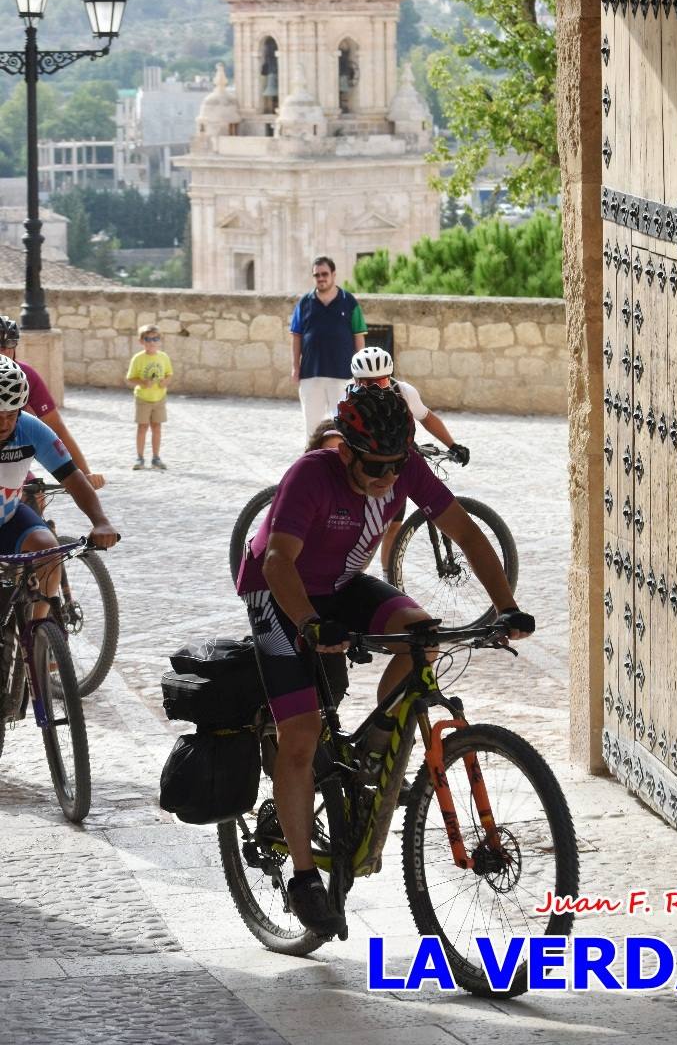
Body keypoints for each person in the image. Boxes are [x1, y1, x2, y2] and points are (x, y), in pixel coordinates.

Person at [236, 383, 534, 937]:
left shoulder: (403, 464)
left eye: (396, 466)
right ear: (345, 449)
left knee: (422, 635)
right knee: (300, 734)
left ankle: (374, 746)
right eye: (374, 466)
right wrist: (310, 625)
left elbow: (465, 532)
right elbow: (278, 563)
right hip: (278, 591)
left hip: (341, 582)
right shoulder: (312, 474)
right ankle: (303, 876)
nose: (387, 479)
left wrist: (507, 606)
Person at [0, 357, 118, 617]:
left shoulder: (30, 429)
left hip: (7, 517)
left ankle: (40, 633)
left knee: (48, 550)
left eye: (11, 414)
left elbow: (72, 477)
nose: (5, 424)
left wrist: (100, 521)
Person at [349, 345, 470, 574]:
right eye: (367, 383)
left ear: (390, 377)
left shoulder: (403, 391)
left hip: (395, 468)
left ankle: (388, 577)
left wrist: (452, 445)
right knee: (365, 532)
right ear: (356, 380)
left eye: (381, 382)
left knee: (393, 525)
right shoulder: (347, 395)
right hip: (364, 472)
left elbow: (426, 417)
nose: (375, 388)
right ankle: (349, 579)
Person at [0, 315, 105, 490]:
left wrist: (85, 473)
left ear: (15, 347)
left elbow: (57, 427)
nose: (1, 353)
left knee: (35, 496)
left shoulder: (27, 376)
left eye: (6, 346)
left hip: (12, 456)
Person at [290, 256, 366, 437]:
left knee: (344, 425)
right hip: (311, 374)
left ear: (333, 274)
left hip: (343, 374)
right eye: (317, 275)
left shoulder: (349, 301)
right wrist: (295, 366)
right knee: (312, 427)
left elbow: (359, 336)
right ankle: (312, 461)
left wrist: (362, 370)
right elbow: (296, 335)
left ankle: (343, 461)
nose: (321, 278)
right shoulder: (304, 303)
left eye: (325, 274)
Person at [125, 324, 173, 471]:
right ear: (141, 341)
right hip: (143, 398)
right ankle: (140, 457)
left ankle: (156, 457)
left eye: (155, 339)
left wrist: (166, 381)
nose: (152, 342)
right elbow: (130, 378)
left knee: (157, 427)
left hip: (159, 398)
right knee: (142, 427)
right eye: (148, 339)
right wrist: (142, 382)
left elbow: (169, 373)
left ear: (160, 340)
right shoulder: (138, 359)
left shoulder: (163, 357)